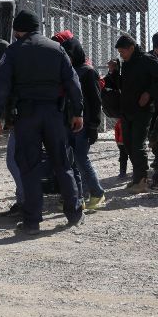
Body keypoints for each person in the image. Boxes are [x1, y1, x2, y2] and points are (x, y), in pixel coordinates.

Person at [0, 10, 84, 235]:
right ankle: (74, 213)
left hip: (27, 115)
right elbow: (73, 82)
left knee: (29, 166)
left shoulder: (12, 52)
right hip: (54, 114)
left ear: (17, 30)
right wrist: (77, 112)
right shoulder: (56, 48)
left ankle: (32, 222)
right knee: (62, 162)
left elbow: (1, 85)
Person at [55, 33, 106, 211]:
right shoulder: (69, 71)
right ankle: (79, 196)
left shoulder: (87, 72)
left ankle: (98, 193)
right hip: (69, 122)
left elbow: (95, 101)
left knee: (81, 158)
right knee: (73, 161)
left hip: (83, 124)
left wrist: (94, 126)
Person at [114, 33, 158, 194]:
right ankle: (137, 178)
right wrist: (114, 72)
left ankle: (143, 179)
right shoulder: (126, 63)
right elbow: (123, 86)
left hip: (142, 111)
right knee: (128, 145)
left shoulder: (147, 60)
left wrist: (149, 94)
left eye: (123, 51)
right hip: (127, 110)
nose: (121, 55)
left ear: (131, 48)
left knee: (137, 145)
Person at [0, 40, 23, 217]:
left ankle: (25, 201)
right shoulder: (17, 66)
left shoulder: (8, 70)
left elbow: (4, 97)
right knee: (17, 161)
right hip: (24, 121)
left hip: (22, 122)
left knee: (14, 161)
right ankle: (23, 200)